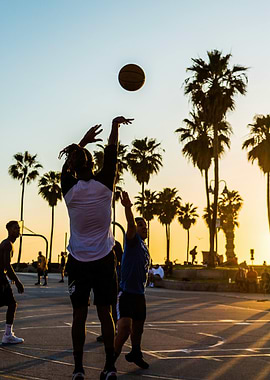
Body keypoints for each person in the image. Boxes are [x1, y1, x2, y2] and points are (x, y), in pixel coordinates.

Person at [59, 116, 133, 380]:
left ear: (74, 165)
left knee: (79, 315)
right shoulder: (105, 185)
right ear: (91, 164)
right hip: (103, 260)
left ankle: (78, 370)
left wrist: (82, 143)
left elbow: (68, 165)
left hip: (78, 261)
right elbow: (112, 153)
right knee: (106, 313)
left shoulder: (68, 189)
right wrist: (114, 127)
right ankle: (110, 368)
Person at [114, 191, 150, 370]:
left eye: (145, 226)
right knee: (125, 330)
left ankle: (136, 353)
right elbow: (129, 223)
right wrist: (128, 207)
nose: (144, 228)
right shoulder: (133, 240)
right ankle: (110, 362)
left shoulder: (144, 247)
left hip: (139, 294)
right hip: (126, 293)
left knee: (138, 329)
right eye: (141, 225)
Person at [0, 221, 24, 344]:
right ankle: (8, 335)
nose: (18, 230)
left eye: (18, 228)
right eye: (15, 228)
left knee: (11, 304)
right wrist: (17, 281)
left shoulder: (6, 243)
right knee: (12, 304)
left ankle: (8, 334)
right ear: (9, 229)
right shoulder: (7, 244)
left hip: (2, 277)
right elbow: (6, 265)